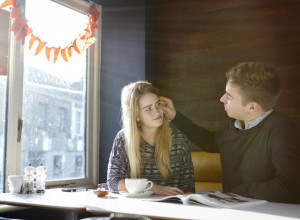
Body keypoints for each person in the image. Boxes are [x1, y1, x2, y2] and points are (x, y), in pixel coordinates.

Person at [160, 62, 300, 203]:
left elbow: (289, 186)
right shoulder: (234, 126)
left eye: (229, 96)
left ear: (251, 107)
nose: (222, 99)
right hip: (233, 210)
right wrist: (175, 116)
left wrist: (234, 193)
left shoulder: (283, 130)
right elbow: (209, 142)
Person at [107, 81, 195, 196]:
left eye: (158, 104)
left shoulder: (179, 139)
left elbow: (188, 187)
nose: (157, 112)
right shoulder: (123, 138)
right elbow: (113, 182)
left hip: (170, 209)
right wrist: (153, 188)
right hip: (136, 210)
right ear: (136, 116)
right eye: (148, 109)